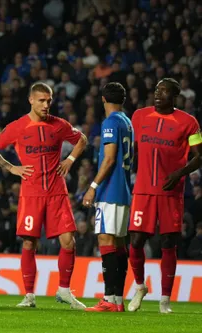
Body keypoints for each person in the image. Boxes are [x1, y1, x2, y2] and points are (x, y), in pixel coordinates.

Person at [0, 82, 87, 309]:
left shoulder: (59, 125)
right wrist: (12, 168)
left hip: (57, 192)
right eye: (41, 100)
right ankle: (29, 296)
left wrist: (69, 160)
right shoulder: (18, 127)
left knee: (69, 241)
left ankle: (64, 290)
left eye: (49, 100)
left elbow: (82, 139)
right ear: (31, 100)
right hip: (31, 194)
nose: (46, 104)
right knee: (29, 243)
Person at [127, 78, 202, 313]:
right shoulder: (139, 116)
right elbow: (131, 147)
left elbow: (199, 155)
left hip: (171, 192)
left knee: (169, 243)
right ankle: (140, 286)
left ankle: (165, 299)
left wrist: (180, 172)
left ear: (175, 96)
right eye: (157, 90)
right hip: (143, 190)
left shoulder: (189, 123)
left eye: (164, 91)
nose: (158, 94)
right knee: (136, 241)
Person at [82, 82, 133, 312]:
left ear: (103, 99)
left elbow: (110, 158)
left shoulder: (110, 122)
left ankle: (109, 299)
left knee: (105, 240)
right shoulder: (127, 121)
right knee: (119, 243)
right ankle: (118, 300)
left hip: (110, 191)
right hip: (123, 191)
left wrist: (93, 186)